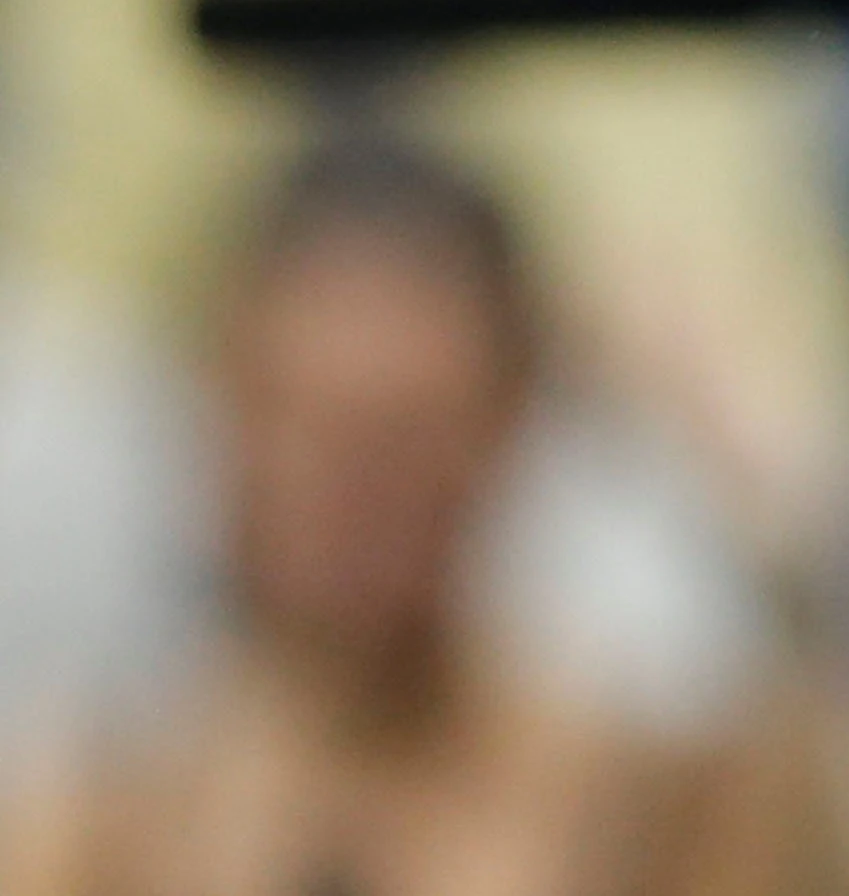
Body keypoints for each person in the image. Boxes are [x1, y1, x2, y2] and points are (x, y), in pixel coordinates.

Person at [0, 136, 755, 896]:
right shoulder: (99, 811)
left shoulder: (631, 791)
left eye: (407, 438)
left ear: (507, 424)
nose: (359, 504)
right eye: (313, 431)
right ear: (224, 409)